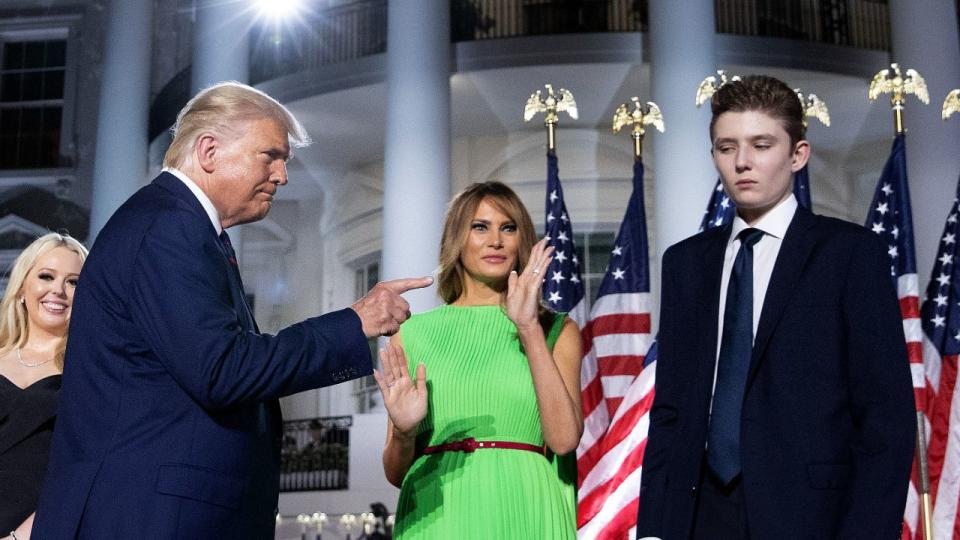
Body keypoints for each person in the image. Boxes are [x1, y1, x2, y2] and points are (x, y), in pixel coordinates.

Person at [31, 82, 431, 539]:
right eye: (270, 155)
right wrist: (354, 322)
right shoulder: (169, 226)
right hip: (152, 517)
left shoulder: (181, 226)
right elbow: (223, 370)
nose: (282, 175)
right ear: (208, 151)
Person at [636, 75, 915, 539]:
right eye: (727, 147)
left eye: (761, 144)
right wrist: (653, 530)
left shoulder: (849, 254)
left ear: (797, 155)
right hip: (698, 515)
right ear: (714, 157)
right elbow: (671, 413)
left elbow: (886, 418)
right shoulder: (684, 263)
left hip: (813, 518)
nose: (742, 162)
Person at [375, 181, 582, 539]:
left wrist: (528, 326)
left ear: (522, 240)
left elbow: (564, 440)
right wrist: (406, 433)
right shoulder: (411, 334)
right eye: (480, 227)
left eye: (508, 228)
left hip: (526, 506)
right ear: (458, 238)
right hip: (436, 513)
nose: (496, 241)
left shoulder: (557, 330)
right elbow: (396, 474)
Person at [0, 233, 86, 540]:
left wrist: (19, 538)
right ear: (23, 287)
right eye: (46, 276)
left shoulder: (91, 375)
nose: (58, 291)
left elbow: (81, 472)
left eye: (73, 282)